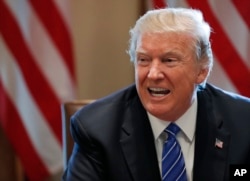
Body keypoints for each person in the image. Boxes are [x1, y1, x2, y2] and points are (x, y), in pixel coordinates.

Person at [62, 7, 250, 181]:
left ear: (202, 71)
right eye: (143, 60)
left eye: (168, 60)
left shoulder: (244, 122)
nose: (153, 74)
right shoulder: (97, 130)